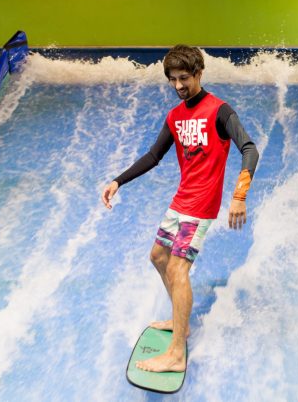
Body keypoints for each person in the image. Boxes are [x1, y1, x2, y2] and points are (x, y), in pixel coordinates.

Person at [101, 45, 259, 373]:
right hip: (180, 200)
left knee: (178, 269)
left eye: (184, 78)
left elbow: (249, 148)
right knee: (158, 258)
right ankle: (181, 323)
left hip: (201, 205)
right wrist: (118, 181)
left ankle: (175, 354)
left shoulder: (219, 111)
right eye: (172, 80)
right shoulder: (175, 116)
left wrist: (239, 194)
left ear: (199, 73)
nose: (178, 86)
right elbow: (153, 155)